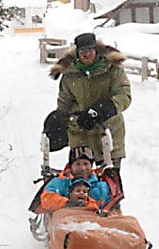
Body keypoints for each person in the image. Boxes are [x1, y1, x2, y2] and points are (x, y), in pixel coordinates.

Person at [49, 31, 131, 168]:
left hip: (108, 133)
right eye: (82, 52)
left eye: (89, 51)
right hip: (81, 134)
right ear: (77, 54)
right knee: (81, 181)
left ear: (96, 51)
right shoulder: (70, 75)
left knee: (109, 181)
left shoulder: (113, 69)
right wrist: (59, 120)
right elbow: (65, 103)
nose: (86, 55)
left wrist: (103, 109)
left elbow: (124, 95)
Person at [38, 150, 110, 212]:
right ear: (71, 167)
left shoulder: (101, 186)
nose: (82, 168)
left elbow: (112, 206)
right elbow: (47, 200)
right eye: (77, 164)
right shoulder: (59, 182)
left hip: (94, 221)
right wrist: (68, 203)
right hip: (66, 219)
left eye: (86, 164)